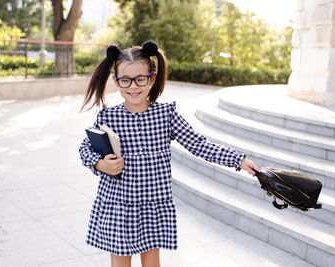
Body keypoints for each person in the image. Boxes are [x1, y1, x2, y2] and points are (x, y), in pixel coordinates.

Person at [78, 41, 259, 267]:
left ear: (151, 78)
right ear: (116, 81)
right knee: (120, 263)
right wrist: (100, 164)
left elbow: (198, 144)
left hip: (153, 203)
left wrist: (238, 160)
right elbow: (85, 148)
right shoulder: (108, 117)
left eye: (140, 79)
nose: (133, 86)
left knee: (152, 261)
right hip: (117, 203)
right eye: (125, 80)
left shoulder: (166, 115)